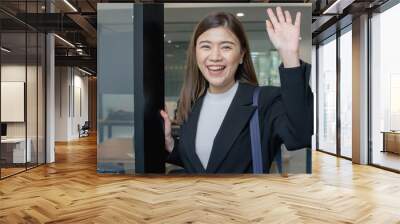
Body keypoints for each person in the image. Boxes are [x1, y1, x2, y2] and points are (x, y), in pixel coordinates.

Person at [160, 7, 313, 173]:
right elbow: (202, 162)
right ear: (195, 53)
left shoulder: (264, 101)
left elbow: (299, 136)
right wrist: (170, 143)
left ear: (241, 55)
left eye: (226, 47)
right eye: (206, 47)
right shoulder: (192, 103)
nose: (215, 56)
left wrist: (289, 55)